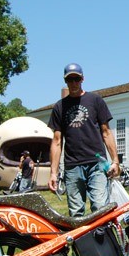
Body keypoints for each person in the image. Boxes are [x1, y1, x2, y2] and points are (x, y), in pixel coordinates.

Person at [48, 62, 120, 217]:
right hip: (73, 166)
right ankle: (82, 241)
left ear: (82, 79)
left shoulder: (95, 100)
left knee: (100, 209)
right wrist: (53, 173)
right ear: (65, 81)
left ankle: (102, 240)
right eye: (70, 79)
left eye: (76, 79)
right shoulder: (59, 107)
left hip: (97, 164)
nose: (73, 83)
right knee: (76, 213)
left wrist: (115, 160)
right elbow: (57, 141)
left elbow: (106, 132)